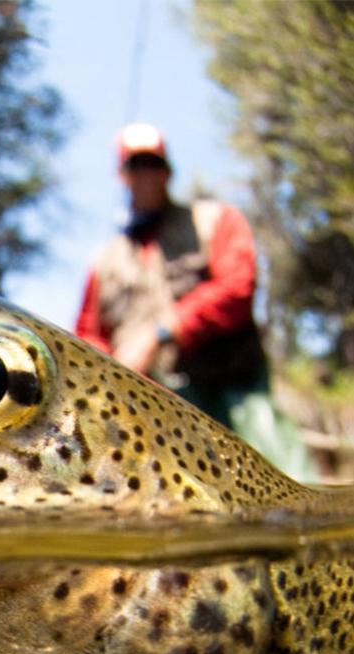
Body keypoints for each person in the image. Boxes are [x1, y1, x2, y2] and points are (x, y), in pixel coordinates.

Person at [74, 122, 315, 480]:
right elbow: (87, 335)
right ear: (122, 175)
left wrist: (162, 331)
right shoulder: (104, 263)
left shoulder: (215, 221)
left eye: (153, 164)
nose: (146, 174)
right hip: (154, 418)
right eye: (136, 165)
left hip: (235, 395)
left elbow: (237, 288)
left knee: (288, 487)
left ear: (168, 171)